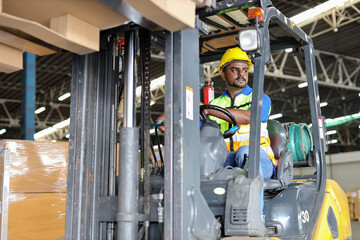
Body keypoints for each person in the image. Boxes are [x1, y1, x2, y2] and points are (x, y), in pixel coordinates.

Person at [205, 47, 275, 217]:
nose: (241, 74)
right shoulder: (216, 103)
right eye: (234, 70)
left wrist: (207, 109)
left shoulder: (260, 98)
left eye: (245, 70)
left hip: (260, 161)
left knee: (246, 152)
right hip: (228, 161)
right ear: (223, 74)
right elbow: (200, 127)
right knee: (202, 158)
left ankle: (254, 220)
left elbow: (251, 117)